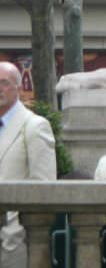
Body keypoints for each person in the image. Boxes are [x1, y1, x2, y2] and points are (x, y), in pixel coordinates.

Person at [0, 62, 56, 268]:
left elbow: (44, 189)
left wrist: (17, 231)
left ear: (19, 88)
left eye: (4, 83)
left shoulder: (35, 126)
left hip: (14, 242)